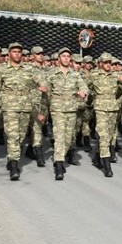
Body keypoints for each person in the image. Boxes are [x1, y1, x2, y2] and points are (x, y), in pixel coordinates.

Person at [0, 42, 48, 180]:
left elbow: (41, 81)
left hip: (25, 107)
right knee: (12, 136)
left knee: (21, 137)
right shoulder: (2, 69)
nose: (17, 54)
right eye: (14, 51)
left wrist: (42, 86)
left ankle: (13, 157)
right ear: (9, 53)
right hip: (9, 107)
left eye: (19, 52)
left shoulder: (29, 69)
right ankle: (14, 164)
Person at [46, 47, 88, 180]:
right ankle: (58, 165)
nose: (66, 58)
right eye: (63, 56)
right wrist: (43, 110)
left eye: (68, 56)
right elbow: (45, 92)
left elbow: (84, 87)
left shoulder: (75, 74)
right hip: (57, 110)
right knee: (59, 137)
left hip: (71, 109)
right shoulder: (51, 74)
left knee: (69, 138)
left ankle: (60, 157)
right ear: (59, 58)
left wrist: (83, 92)